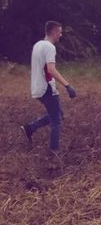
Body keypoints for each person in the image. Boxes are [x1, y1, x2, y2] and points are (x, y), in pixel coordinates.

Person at [20, 21, 77, 151]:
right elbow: (51, 69)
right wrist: (67, 86)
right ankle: (54, 153)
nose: (61, 35)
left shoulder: (37, 45)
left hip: (37, 88)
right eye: (60, 32)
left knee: (58, 114)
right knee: (56, 120)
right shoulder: (50, 47)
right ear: (53, 32)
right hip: (47, 88)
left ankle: (30, 128)